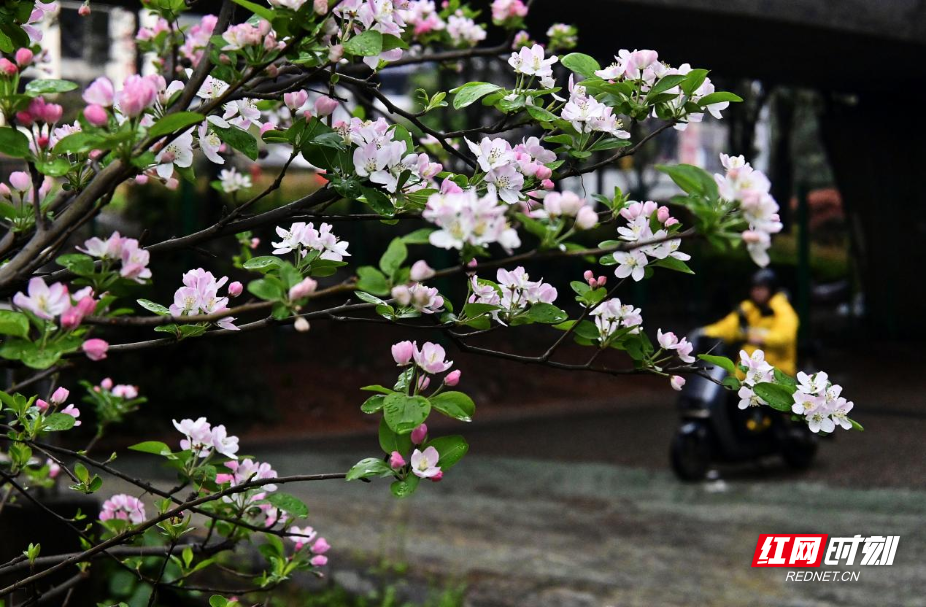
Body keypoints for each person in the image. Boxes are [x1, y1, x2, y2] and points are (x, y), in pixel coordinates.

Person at [702, 269, 799, 375]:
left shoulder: (783, 311)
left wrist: (752, 336)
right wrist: (704, 332)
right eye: (754, 288)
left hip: (776, 374)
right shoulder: (748, 308)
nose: (756, 292)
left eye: (761, 288)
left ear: (771, 289)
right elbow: (727, 327)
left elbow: (784, 338)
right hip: (745, 374)